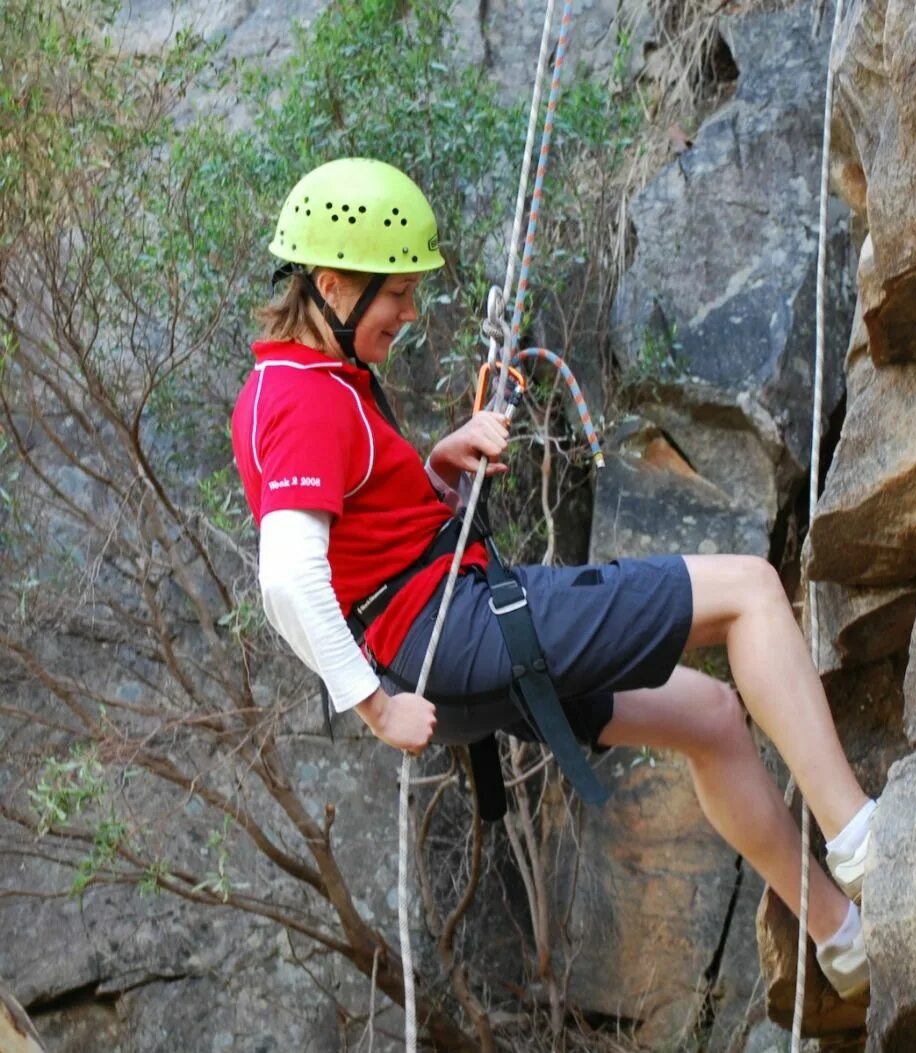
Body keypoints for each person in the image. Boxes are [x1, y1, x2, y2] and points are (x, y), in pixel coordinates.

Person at [230, 158, 875, 999]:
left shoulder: (311, 381)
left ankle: (844, 936)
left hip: (449, 650)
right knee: (751, 591)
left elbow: (360, 536)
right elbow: (285, 577)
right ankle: (863, 837)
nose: (409, 310)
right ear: (330, 282)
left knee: (713, 716)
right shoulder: (304, 398)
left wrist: (434, 468)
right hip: (457, 637)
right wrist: (376, 707)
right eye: (396, 291)